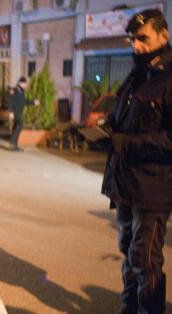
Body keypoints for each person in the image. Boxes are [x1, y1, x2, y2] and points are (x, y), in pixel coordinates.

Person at [97, 9, 171, 314]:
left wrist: (124, 143)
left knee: (145, 258)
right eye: (133, 39)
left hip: (153, 189)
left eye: (143, 38)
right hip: (125, 183)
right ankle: (129, 308)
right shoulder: (136, 76)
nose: (135, 46)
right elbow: (120, 119)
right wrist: (105, 129)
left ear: (163, 36)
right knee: (127, 251)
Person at [7, 77, 38, 151]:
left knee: (16, 126)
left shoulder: (22, 91)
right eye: (25, 84)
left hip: (19, 112)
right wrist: (10, 112)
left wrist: (33, 102)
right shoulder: (14, 90)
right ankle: (12, 143)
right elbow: (10, 101)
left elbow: (24, 101)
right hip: (15, 112)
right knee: (20, 124)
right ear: (20, 83)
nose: (26, 85)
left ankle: (14, 145)